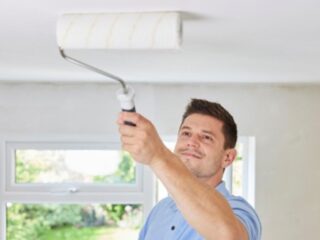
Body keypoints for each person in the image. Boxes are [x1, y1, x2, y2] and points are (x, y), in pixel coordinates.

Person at [117, 99, 261, 240]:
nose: (191, 142)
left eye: (206, 137)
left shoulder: (239, 211)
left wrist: (158, 155)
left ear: (228, 157)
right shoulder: (159, 211)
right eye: (186, 133)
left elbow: (228, 236)